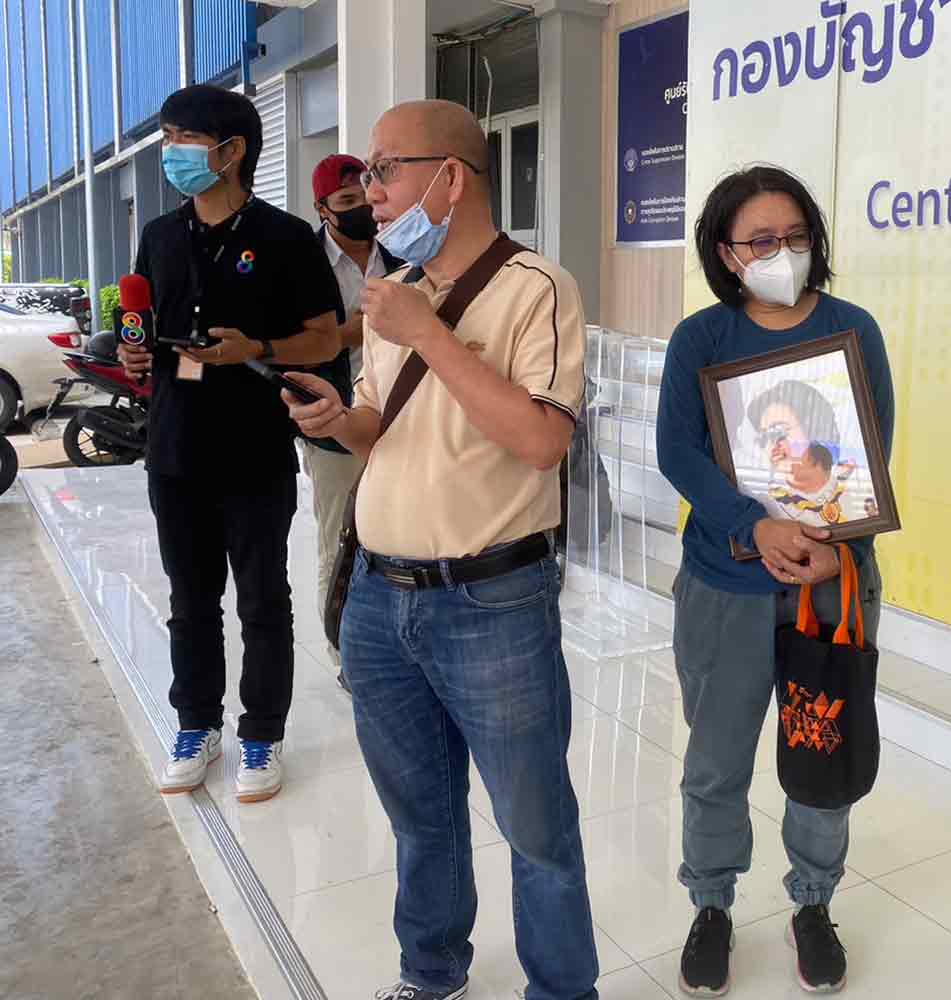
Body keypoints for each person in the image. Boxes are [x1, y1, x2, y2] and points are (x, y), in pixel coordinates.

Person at [283, 99, 598, 1000]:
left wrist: (428, 333)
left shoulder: (538, 287)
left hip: (491, 600)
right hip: (382, 599)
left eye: (384, 170)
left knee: (536, 825)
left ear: (450, 178)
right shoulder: (395, 288)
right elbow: (381, 427)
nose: (366, 192)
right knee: (420, 816)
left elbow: (542, 441)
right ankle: (431, 973)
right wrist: (338, 418)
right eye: (367, 176)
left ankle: (564, 990)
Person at [656, 165, 896, 996]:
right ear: (726, 251)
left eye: (794, 236)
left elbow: (871, 449)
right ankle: (712, 904)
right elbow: (678, 452)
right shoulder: (703, 340)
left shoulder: (853, 329)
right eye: (761, 240)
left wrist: (839, 546)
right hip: (726, 584)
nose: (781, 252)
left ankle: (813, 903)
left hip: (831, 587)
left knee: (822, 758)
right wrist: (751, 525)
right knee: (715, 763)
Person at [118, 85, 342, 805]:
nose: (169, 152)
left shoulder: (284, 238)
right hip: (175, 447)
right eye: (167, 138)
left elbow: (327, 335)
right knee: (189, 598)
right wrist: (136, 357)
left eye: (180, 137)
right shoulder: (158, 235)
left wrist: (260, 347)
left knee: (261, 601)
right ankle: (195, 723)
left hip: (253, 451)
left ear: (231, 149)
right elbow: (143, 321)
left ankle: (262, 735)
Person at [304, 153, 401, 691]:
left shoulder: (399, 248)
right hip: (335, 419)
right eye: (346, 203)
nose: (362, 208)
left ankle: (392, 642)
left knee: (393, 532)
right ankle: (344, 651)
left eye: (365, 196)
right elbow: (309, 340)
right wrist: (360, 329)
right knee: (340, 537)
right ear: (323, 209)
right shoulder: (307, 263)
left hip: (400, 415)